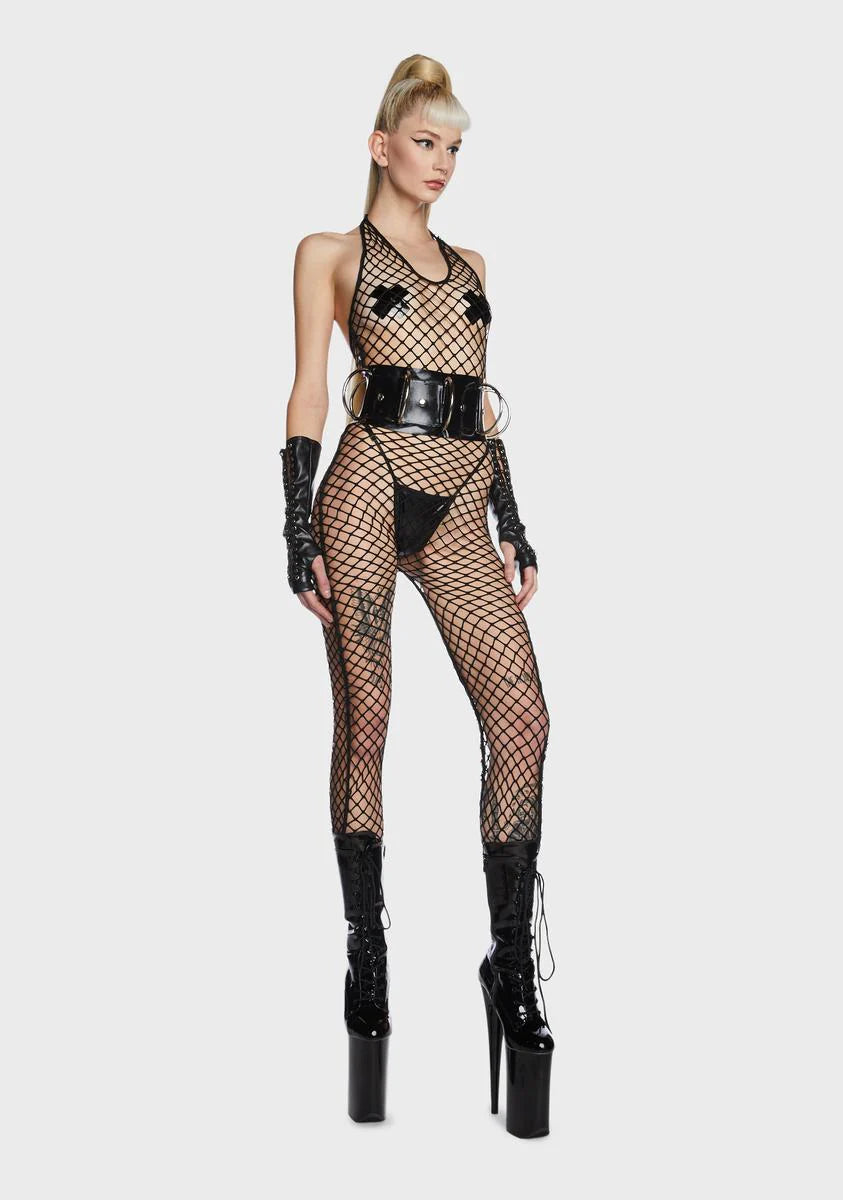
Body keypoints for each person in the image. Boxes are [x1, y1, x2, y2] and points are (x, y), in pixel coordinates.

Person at [280, 55, 556, 1138]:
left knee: (522, 716)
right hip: (363, 485)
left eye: (454, 146)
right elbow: (311, 387)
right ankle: (369, 968)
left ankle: (511, 971)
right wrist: (295, 522)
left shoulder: (474, 263)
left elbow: (479, 406)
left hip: (457, 500)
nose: (441, 162)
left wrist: (512, 520)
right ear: (380, 144)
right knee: (369, 719)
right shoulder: (330, 253)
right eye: (425, 141)